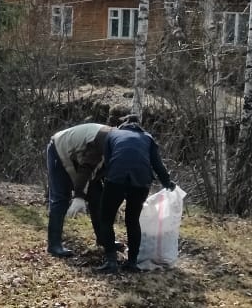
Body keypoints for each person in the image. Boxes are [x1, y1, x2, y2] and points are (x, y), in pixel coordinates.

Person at [91, 114, 175, 274]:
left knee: (106, 218)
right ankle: (132, 262)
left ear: (123, 124)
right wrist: (167, 183)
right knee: (132, 220)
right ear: (139, 126)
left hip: (116, 177)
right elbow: (157, 164)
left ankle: (111, 261)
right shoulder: (147, 138)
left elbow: (108, 161)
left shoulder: (113, 134)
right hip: (141, 180)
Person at [44, 121, 112, 258]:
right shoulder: (102, 141)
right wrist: (79, 196)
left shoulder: (119, 145)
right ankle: (54, 245)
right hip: (60, 149)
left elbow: (104, 172)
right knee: (61, 198)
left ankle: (104, 239)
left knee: (98, 197)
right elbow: (86, 168)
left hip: (80, 158)